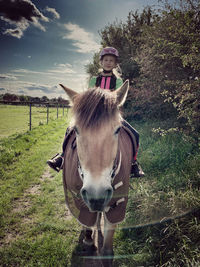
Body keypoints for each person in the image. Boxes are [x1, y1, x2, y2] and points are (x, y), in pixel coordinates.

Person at [47, 47, 144, 177]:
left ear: (115, 64)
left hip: (110, 114)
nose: (108, 62)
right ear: (101, 62)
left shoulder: (118, 81)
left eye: (111, 60)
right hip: (93, 114)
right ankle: (62, 157)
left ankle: (133, 163)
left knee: (135, 134)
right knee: (70, 130)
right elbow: (89, 97)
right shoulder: (94, 80)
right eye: (106, 60)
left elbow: (118, 98)